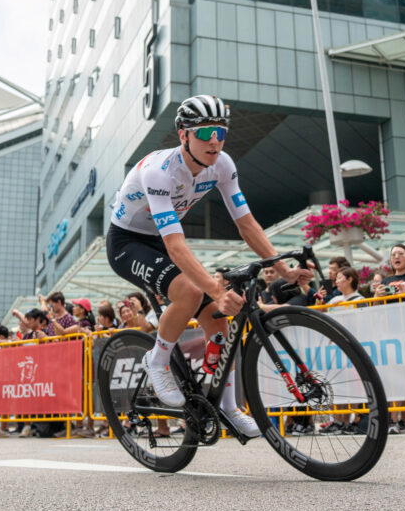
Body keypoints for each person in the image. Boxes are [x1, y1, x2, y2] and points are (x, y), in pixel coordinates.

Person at [105, 94, 311, 438]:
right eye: (204, 133)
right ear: (183, 135)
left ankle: (228, 407)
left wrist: (285, 269)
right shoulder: (159, 172)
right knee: (190, 290)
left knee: (219, 320)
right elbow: (175, 245)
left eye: (220, 132)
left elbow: (246, 223)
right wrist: (216, 288)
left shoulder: (223, 165)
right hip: (129, 242)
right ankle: (156, 361)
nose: (214, 140)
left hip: (161, 239)